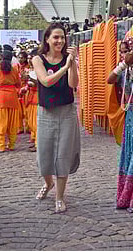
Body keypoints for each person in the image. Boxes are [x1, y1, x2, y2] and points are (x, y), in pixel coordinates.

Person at [32, 22, 81, 213]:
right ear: (47, 39)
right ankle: (48, 182)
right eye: (55, 37)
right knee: (44, 156)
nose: (59, 41)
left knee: (63, 155)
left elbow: (73, 84)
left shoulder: (69, 59)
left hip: (66, 112)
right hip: (46, 112)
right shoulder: (38, 59)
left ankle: (59, 196)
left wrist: (72, 64)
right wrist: (64, 67)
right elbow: (45, 81)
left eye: (62, 37)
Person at [107, 37, 133, 212]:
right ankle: (127, 194)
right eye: (121, 51)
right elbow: (110, 79)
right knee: (129, 151)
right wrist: (123, 65)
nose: (123, 54)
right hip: (130, 116)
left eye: (126, 51)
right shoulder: (124, 71)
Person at [0, 50, 22, 152]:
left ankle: (1, 146)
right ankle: (11, 145)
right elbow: (18, 84)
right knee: (12, 122)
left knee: (0, 122)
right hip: (12, 97)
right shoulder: (14, 70)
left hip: (0, 98)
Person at [24, 50, 39, 152]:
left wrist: (30, 79)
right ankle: (35, 140)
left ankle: (38, 144)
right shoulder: (30, 69)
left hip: (37, 98)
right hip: (31, 97)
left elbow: (41, 82)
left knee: (36, 123)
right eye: (29, 58)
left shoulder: (41, 69)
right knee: (31, 122)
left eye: (32, 58)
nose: (29, 60)